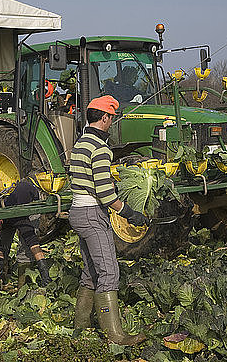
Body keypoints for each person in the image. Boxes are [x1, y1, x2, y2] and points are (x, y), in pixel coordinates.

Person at [69, 95, 148, 345]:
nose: (111, 123)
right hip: (92, 215)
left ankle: (80, 327)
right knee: (110, 272)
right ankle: (115, 335)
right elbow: (105, 195)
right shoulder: (100, 149)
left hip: (77, 212)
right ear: (104, 118)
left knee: (91, 272)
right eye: (111, 119)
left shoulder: (80, 143)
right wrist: (129, 212)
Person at [0, 180, 51, 286]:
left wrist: (43, 266)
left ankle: (24, 283)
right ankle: (2, 277)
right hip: (5, 209)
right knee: (3, 246)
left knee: (25, 250)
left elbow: (32, 241)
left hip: (29, 200)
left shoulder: (17, 216)